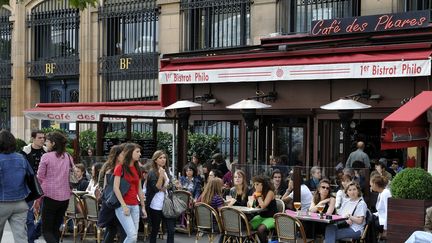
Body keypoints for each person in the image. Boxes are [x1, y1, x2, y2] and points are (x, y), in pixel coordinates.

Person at [35, 131, 72, 243]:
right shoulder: (67, 156)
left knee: (46, 230)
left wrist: (36, 197)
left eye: (47, 141)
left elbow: (39, 177)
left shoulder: (46, 156)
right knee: (55, 229)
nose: (46, 143)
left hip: (50, 196)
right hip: (65, 198)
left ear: (53, 143)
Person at [0, 130, 34, 243]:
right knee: (21, 238)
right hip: (20, 202)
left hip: (2, 202)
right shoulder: (21, 158)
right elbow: (31, 177)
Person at [113, 143, 147, 243]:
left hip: (135, 205)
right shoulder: (120, 167)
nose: (140, 154)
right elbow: (116, 187)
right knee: (132, 236)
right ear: (130, 153)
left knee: (134, 237)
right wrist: (123, 206)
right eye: (137, 151)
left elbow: (139, 190)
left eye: (139, 152)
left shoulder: (138, 169)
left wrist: (143, 207)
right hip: (123, 206)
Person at [20, 130, 47, 243]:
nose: (42, 140)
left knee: (45, 216)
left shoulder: (47, 151)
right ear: (33, 138)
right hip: (30, 188)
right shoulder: (25, 152)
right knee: (29, 217)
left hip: (45, 187)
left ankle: (35, 233)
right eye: (40, 138)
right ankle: (30, 240)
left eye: (43, 138)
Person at [146, 150, 176, 243]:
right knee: (155, 229)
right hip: (155, 205)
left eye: (164, 158)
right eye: (160, 158)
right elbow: (156, 188)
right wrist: (161, 175)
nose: (163, 160)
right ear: (155, 160)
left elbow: (171, 185)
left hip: (167, 203)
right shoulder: (152, 172)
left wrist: (168, 185)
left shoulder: (167, 171)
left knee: (171, 230)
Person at [99, 145, 126, 243]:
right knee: (121, 231)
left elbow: (104, 187)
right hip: (115, 203)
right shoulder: (115, 169)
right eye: (123, 154)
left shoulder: (108, 167)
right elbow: (109, 187)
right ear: (118, 156)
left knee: (112, 229)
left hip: (109, 202)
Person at [249, 175, 278, 243]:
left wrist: (258, 196)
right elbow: (253, 206)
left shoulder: (270, 192)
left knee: (260, 229)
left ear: (263, 184)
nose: (255, 186)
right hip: (261, 216)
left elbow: (263, 206)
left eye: (257, 184)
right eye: (254, 184)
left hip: (272, 218)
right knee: (248, 227)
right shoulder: (257, 193)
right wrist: (251, 201)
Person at [370, 175, 391, 240]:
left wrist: (385, 228)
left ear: (375, 184)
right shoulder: (381, 193)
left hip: (384, 222)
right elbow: (381, 210)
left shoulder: (385, 193)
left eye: (371, 185)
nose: (371, 186)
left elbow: (388, 210)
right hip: (381, 218)